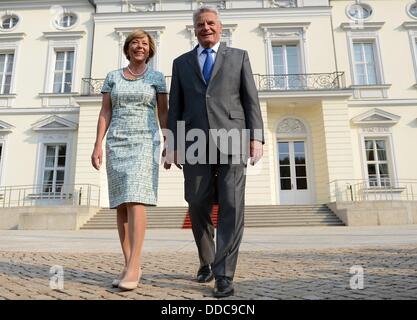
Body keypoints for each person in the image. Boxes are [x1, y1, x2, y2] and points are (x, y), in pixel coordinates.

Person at [166, 6, 264, 298]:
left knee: (232, 207)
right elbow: (176, 107)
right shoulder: (181, 63)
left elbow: (251, 100)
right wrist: (172, 144)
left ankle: (224, 274)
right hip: (194, 141)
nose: (205, 28)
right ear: (194, 30)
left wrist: (256, 138)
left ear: (220, 27)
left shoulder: (239, 57)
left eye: (210, 23)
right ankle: (206, 259)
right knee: (196, 201)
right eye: (200, 24)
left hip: (232, 138)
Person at [91, 29, 168, 291]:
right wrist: (97, 145)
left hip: (145, 142)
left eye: (144, 43)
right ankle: (128, 264)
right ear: (127, 48)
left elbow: (163, 114)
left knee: (136, 198)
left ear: (150, 49)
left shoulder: (157, 78)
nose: (139, 46)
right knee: (121, 204)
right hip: (116, 142)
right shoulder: (112, 77)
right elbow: (105, 112)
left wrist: (169, 143)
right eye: (134, 42)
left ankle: (135, 265)